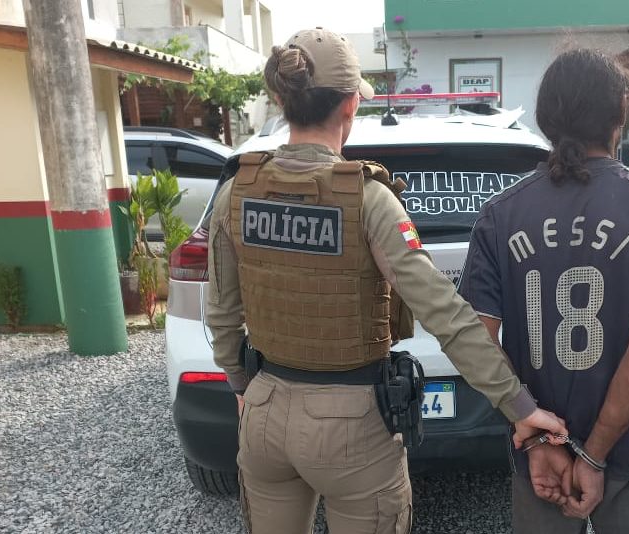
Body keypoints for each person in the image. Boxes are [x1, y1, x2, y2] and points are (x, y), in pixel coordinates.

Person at [204, 27, 567, 534]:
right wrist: (518, 406)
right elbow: (445, 315)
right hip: (352, 429)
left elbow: (221, 316)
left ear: (282, 100)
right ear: (351, 106)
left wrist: (243, 387)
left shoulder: (235, 194)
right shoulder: (369, 201)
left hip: (264, 413)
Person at [458, 47, 629, 533]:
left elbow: (476, 343)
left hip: (539, 455)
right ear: (620, 114)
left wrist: (534, 436)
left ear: (547, 119)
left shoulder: (499, 214)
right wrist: (594, 456)